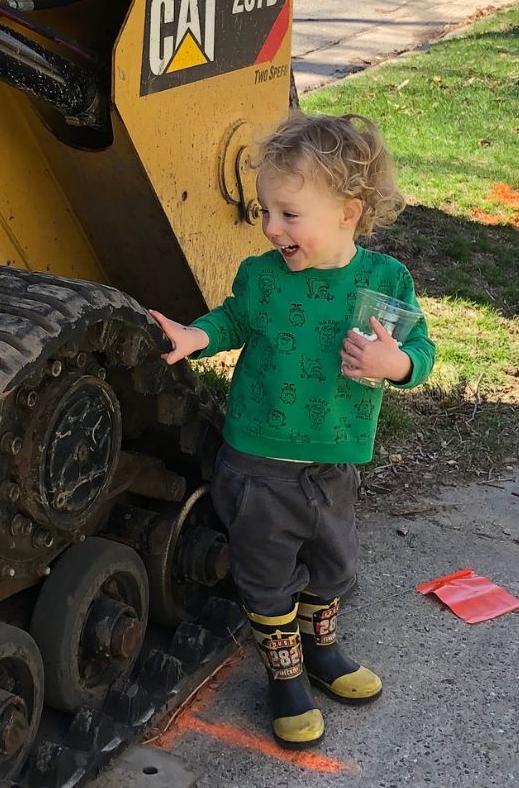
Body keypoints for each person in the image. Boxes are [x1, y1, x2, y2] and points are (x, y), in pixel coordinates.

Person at [149, 110, 436, 750]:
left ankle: (323, 649)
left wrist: (397, 364)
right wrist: (197, 335)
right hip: (258, 461)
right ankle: (286, 677)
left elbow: (421, 350)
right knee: (267, 570)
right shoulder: (262, 277)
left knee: (332, 565)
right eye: (265, 214)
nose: (272, 228)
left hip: (335, 456)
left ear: (348, 212)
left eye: (288, 214)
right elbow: (233, 322)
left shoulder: (384, 282)